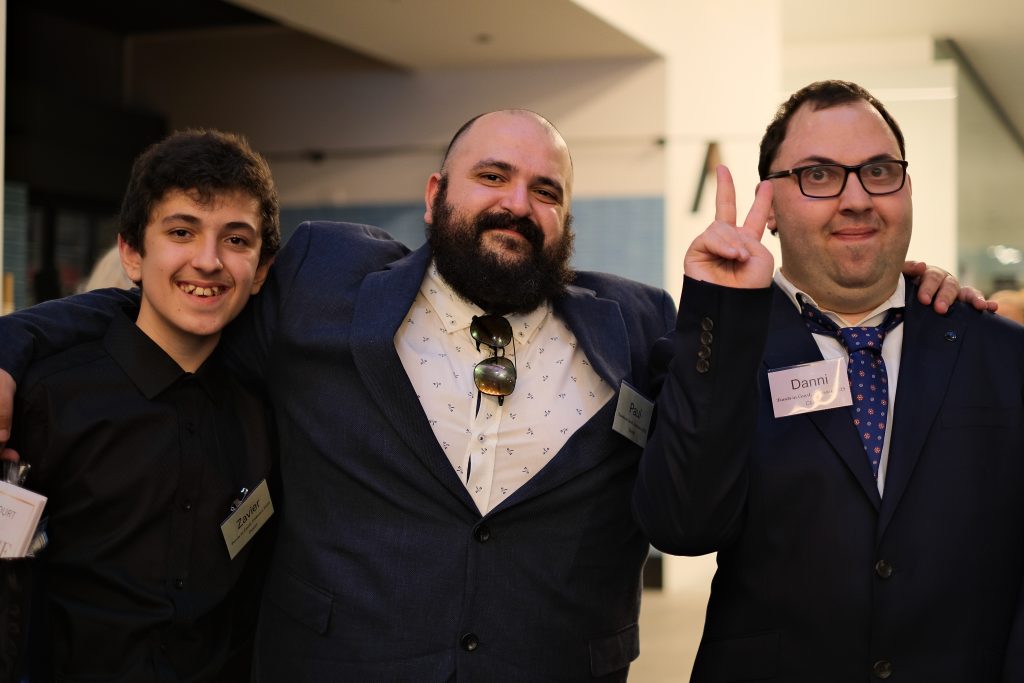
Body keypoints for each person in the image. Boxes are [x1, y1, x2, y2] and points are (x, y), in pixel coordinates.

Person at [0, 109, 985, 681]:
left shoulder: (638, 323)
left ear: (566, 216)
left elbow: (696, 500)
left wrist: (920, 292)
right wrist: (11, 341)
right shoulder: (318, 280)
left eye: (544, 188)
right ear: (436, 198)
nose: (516, 200)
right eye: (491, 176)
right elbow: (174, 307)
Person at [634, 80, 1024, 682]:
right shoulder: (717, 348)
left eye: (878, 170)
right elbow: (683, 528)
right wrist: (719, 312)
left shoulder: (999, 352)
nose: (857, 198)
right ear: (771, 205)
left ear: (907, 188)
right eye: (819, 175)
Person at [5, 129, 281, 682]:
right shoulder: (46, 398)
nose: (208, 261)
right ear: (131, 253)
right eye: (182, 231)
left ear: (262, 270)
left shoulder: (270, 406)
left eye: (236, 239)